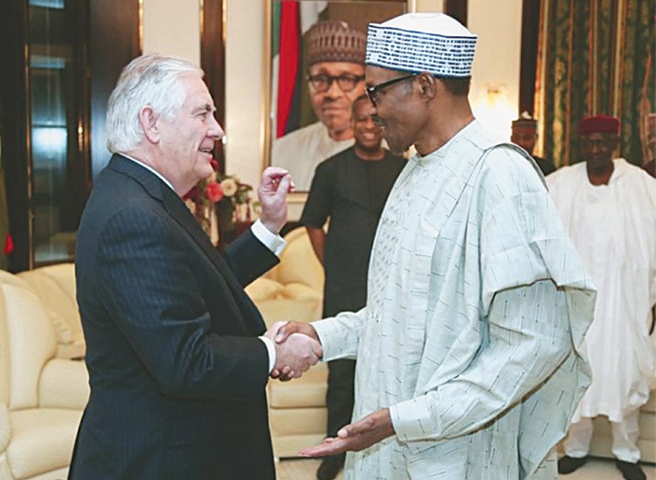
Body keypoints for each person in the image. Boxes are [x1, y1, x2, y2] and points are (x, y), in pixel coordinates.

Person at [276, 13, 596, 479]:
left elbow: (533, 342)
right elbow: (402, 313)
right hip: (389, 439)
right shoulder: (414, 171)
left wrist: (407, 419)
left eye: (377, 91)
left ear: (425, 86)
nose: (369, 109)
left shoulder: (500, 176)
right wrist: (323, 336)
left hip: (458, 454)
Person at [67, 54, 322, 480]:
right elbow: (186, 361)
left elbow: (198, 281)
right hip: (163, 461)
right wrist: (273, 352)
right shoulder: (134, 216)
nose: (217, 130)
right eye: (203, 113)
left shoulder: (142, 197)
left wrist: (269, 226)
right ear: (151, 123)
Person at [300, 94, 406, 480]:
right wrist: (333, 264)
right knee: (342, 373)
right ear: (352, 122)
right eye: (361, 120)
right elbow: (312, 222)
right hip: (344, 285)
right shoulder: (330, 169)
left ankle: (387, 447)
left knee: (392, 366)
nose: (367, 127)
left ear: (382, 123)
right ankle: (335, 450)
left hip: (393, 286)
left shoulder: (403, 168)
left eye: (375, 121)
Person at [547, 114, 656, 480]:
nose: (596, 150)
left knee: (624, 375)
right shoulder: (561, 183)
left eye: (602, 143)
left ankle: (627, 453)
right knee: (580, 375)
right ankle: (575, 448)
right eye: (589, 143)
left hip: (625, 302)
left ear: (614, 145)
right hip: (578, 307)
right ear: (581, 144)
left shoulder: (640, 185)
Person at [272, 20, 367, 191]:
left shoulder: (392, 151)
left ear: (367, 85)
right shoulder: (283, 150)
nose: (333, 93)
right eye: (321, 80)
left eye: (346, 79)